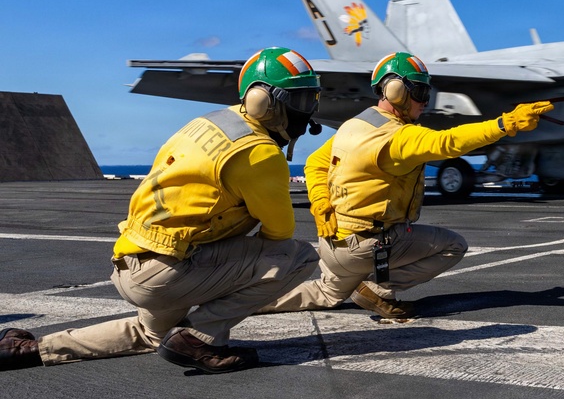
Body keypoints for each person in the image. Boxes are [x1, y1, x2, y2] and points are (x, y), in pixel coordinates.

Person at [0, 47, 323, 374]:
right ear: (263, 102)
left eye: (311, 100)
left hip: (130, 262)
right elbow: (279, 234)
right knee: (296, 256)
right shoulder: (259, 153)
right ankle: (199, 338)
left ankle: (25, 350)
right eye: (301, 100)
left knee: (152, 335)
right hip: (169, 272)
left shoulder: (207, 124)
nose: (307, 111)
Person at [258, 51, 553, 319]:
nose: (425, 102)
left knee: (325, 293)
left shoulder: (352, 126)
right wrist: (505, 124)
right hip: (370, 247)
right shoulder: (398, 137)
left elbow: (315, 163)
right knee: (453, 246)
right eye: (420, 92)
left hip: (333, 244)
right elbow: (448, 142)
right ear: (396, 91)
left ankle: (242, 302)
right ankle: (378, 291)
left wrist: (321, 203)